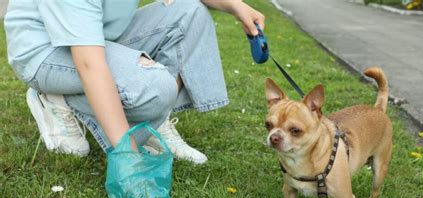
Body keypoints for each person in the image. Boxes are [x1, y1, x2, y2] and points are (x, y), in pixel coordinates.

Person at [4, 0, 265, 164]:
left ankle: (154, 123)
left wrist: (235, 5)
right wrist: (127, 155)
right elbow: (89, 64)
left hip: (100, 36)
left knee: (191, 12)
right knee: (156, 88)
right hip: (45, 52)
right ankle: (54, 94)